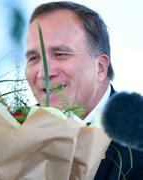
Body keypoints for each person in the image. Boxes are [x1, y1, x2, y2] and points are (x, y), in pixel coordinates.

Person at [25, 1, 143, 179]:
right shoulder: (15, 131)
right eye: (33, 57)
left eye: (60, 54)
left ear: (100, 68)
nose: (43, 73)